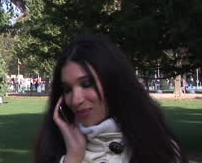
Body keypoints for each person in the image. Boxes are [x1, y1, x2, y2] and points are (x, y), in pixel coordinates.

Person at [32, 34, 188, 163]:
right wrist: (73, 157)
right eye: (67, 89)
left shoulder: (161, 151)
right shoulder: (56, 152)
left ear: (113, 82)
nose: (75, 100)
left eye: (87, 84)